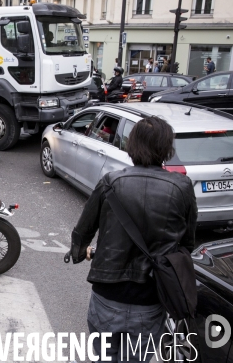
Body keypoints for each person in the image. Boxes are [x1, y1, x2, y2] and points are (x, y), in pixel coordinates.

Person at [69, 117, 197, 363]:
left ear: (132, 145)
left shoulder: (111, 182)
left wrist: (80, 250)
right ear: (166, 148)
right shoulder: (182, 187)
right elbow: (187, 243)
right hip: (150, 296)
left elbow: (83, 229)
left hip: (107, 292)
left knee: (104, 357)